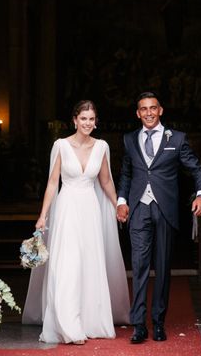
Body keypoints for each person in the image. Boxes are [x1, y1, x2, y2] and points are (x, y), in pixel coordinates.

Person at [22, 100, 130, 344]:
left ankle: (90, 320)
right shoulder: (60, 145)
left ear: (96, 121)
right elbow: (52, 183)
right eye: (84, 119)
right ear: (74, 120)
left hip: (90, 210)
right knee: (67, 264)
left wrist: (118, 205)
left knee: (89, 263)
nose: (88, 123)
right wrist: (43, 215)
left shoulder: (102, 147)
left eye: (92, 119)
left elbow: (106, 182)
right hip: (67, 207)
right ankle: (68, 325)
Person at [116, 92, 201, 344]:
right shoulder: (129, 140)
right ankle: (139, 325)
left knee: (163, 267)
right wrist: (121, 201)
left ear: (160, 111)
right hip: (138, 210)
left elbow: (197, 169)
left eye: (153, 108)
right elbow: (126, 173)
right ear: (137, 113)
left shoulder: (176, 139)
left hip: (165, 210)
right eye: (143, 109)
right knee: (139, 267)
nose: (148, 113)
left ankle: (158, 323)